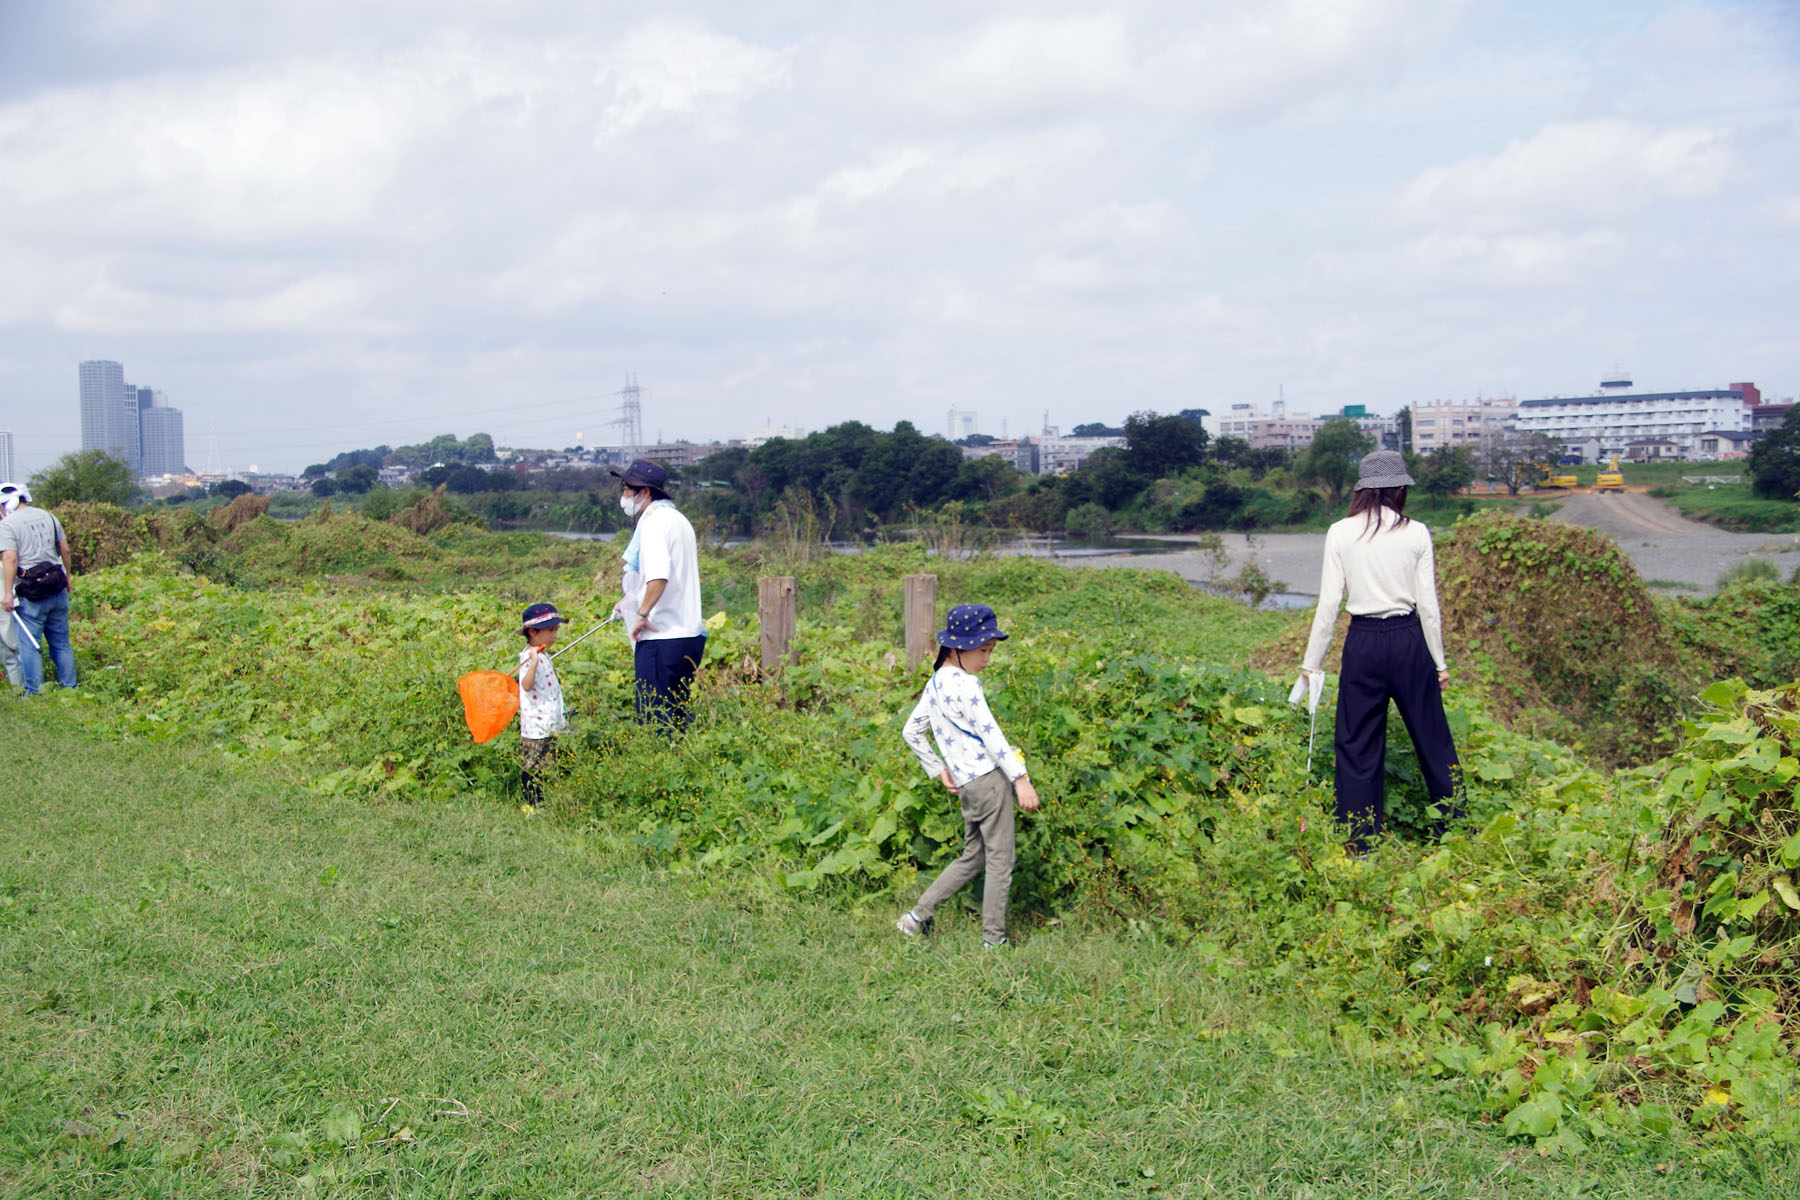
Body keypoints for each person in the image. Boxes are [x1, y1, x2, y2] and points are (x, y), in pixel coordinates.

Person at [1299, 450, 1460, 855]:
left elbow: (1329, 603)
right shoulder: (1417, 532)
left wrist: (1311, 664)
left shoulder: (1339, 531)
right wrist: (1439, 662)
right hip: (1409, 639)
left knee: (1357, 741)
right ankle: (1454, 830)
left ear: (1361, 490)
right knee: (1433, 736)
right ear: (1400, 488)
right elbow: (1428, 606)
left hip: (1363, 642)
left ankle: (1360, 842)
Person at [896, 603, 1041, 948]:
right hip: (989, 782)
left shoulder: (934, 684)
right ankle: (994, 940)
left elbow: (911, 732)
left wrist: (938, 768)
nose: (987, 658)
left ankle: (916, 917)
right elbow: (991, 734)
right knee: (1001, 861)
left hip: (968, 786)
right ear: (958, 648)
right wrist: (1020, 779)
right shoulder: (967, 684)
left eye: (990, 650)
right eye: (983, 650)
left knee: (973, 856)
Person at [610, 458, 705, 731]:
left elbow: (659, 577)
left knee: (655, 722)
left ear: (646, 492)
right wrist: (630, 601)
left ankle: (662, 767)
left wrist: (641, 615)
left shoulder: (653, 524)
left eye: (628, 489)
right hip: (688, 637)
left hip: (661, 638)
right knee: (677, 718)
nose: (624, 496)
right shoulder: (678, 519)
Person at [0, 483, 77, 696]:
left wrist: (7, 592)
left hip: (32, 593)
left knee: (30, 645)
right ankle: (70, 688)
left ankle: (34, 692)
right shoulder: (49, 516)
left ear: (7, 504)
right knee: (61, 643)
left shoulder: (7, 525)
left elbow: (10, 558)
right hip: (57, 587)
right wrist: (67, 578)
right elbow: (65, 551)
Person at [517, 602, 569, 815]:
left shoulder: (542, 653)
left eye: (556, 630)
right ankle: (532, 807)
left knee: (555, 761)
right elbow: (526, 685)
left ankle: (552, 801)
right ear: (532, 632)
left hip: (551, 720)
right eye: (550, 630)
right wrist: (534, 662)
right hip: (536, 725)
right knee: (532, 766)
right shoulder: (529, 657)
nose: (554, 635)